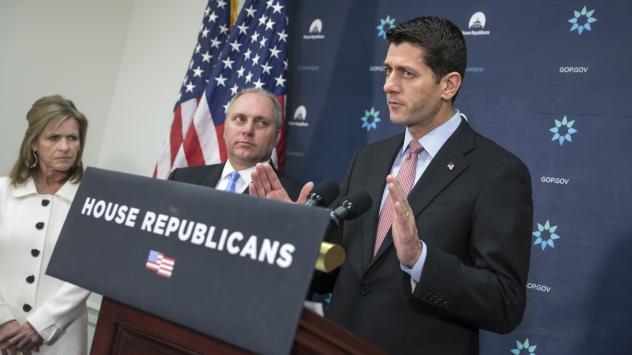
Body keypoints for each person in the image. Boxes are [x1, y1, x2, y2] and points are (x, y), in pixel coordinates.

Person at [249, 16, 533, 354]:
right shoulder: (367, 158)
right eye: (388, 70)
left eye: (407, 73)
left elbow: (505, 302)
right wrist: (301, 236)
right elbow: (333, 269)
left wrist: (420, 259)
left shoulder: (498, 172)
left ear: (449, 85)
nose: (389, 85)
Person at [0, 95, 91, 354]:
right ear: (34, 143)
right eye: (54, 138)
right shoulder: (3, 191)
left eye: (72, 138)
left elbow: (88, 272)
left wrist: (40, 325)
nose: (65, 146)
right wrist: (3, 321)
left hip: (61, 339)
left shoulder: (93, 199)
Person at [169, 88, 301, 199]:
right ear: (225, 128)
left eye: (261, 123)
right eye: (240, 119)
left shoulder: (294, 198)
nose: (248, 130)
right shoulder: (181, 179)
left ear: (277, 137)